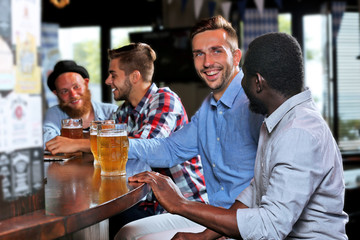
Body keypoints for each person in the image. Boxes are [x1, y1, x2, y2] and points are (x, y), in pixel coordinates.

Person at [129, 32, 349, 239]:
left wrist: (180, 204)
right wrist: (204, 237)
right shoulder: (277, 120)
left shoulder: (298, 133)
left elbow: (269, 228)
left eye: (244, 75)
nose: (240, 84)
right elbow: (257, 191)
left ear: (258, 82)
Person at [115, 15, 264, 239]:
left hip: (246, 222)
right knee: (127, 232)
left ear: (236, 56)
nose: (206, 62)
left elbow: (267, 183)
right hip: (215, 214)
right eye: (199, 54)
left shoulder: (255, 102)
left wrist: (208, 234)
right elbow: (169, 150)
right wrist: (114, 144)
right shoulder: (208, 110)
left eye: (216, 50)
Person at [105, 42, 208, 238]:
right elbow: (113, 159)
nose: (108, 81)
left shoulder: (164, 98)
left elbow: (149, 147)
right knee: (111, 221)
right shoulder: (123, 112)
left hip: (185, 204)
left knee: (117, 225)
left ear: (134, 77)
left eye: (113, 75)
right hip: (146, 202)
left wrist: (88, 143)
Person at [44, 60, 118, 154]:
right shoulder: (53, 113)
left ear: (86, 83)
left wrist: (73, 143)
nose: (73, 95)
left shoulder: (112, 111)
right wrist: (99, 139)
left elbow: (125, 144)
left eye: (76, 87)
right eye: (64, 91)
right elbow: (47, 143)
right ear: (56, 94)